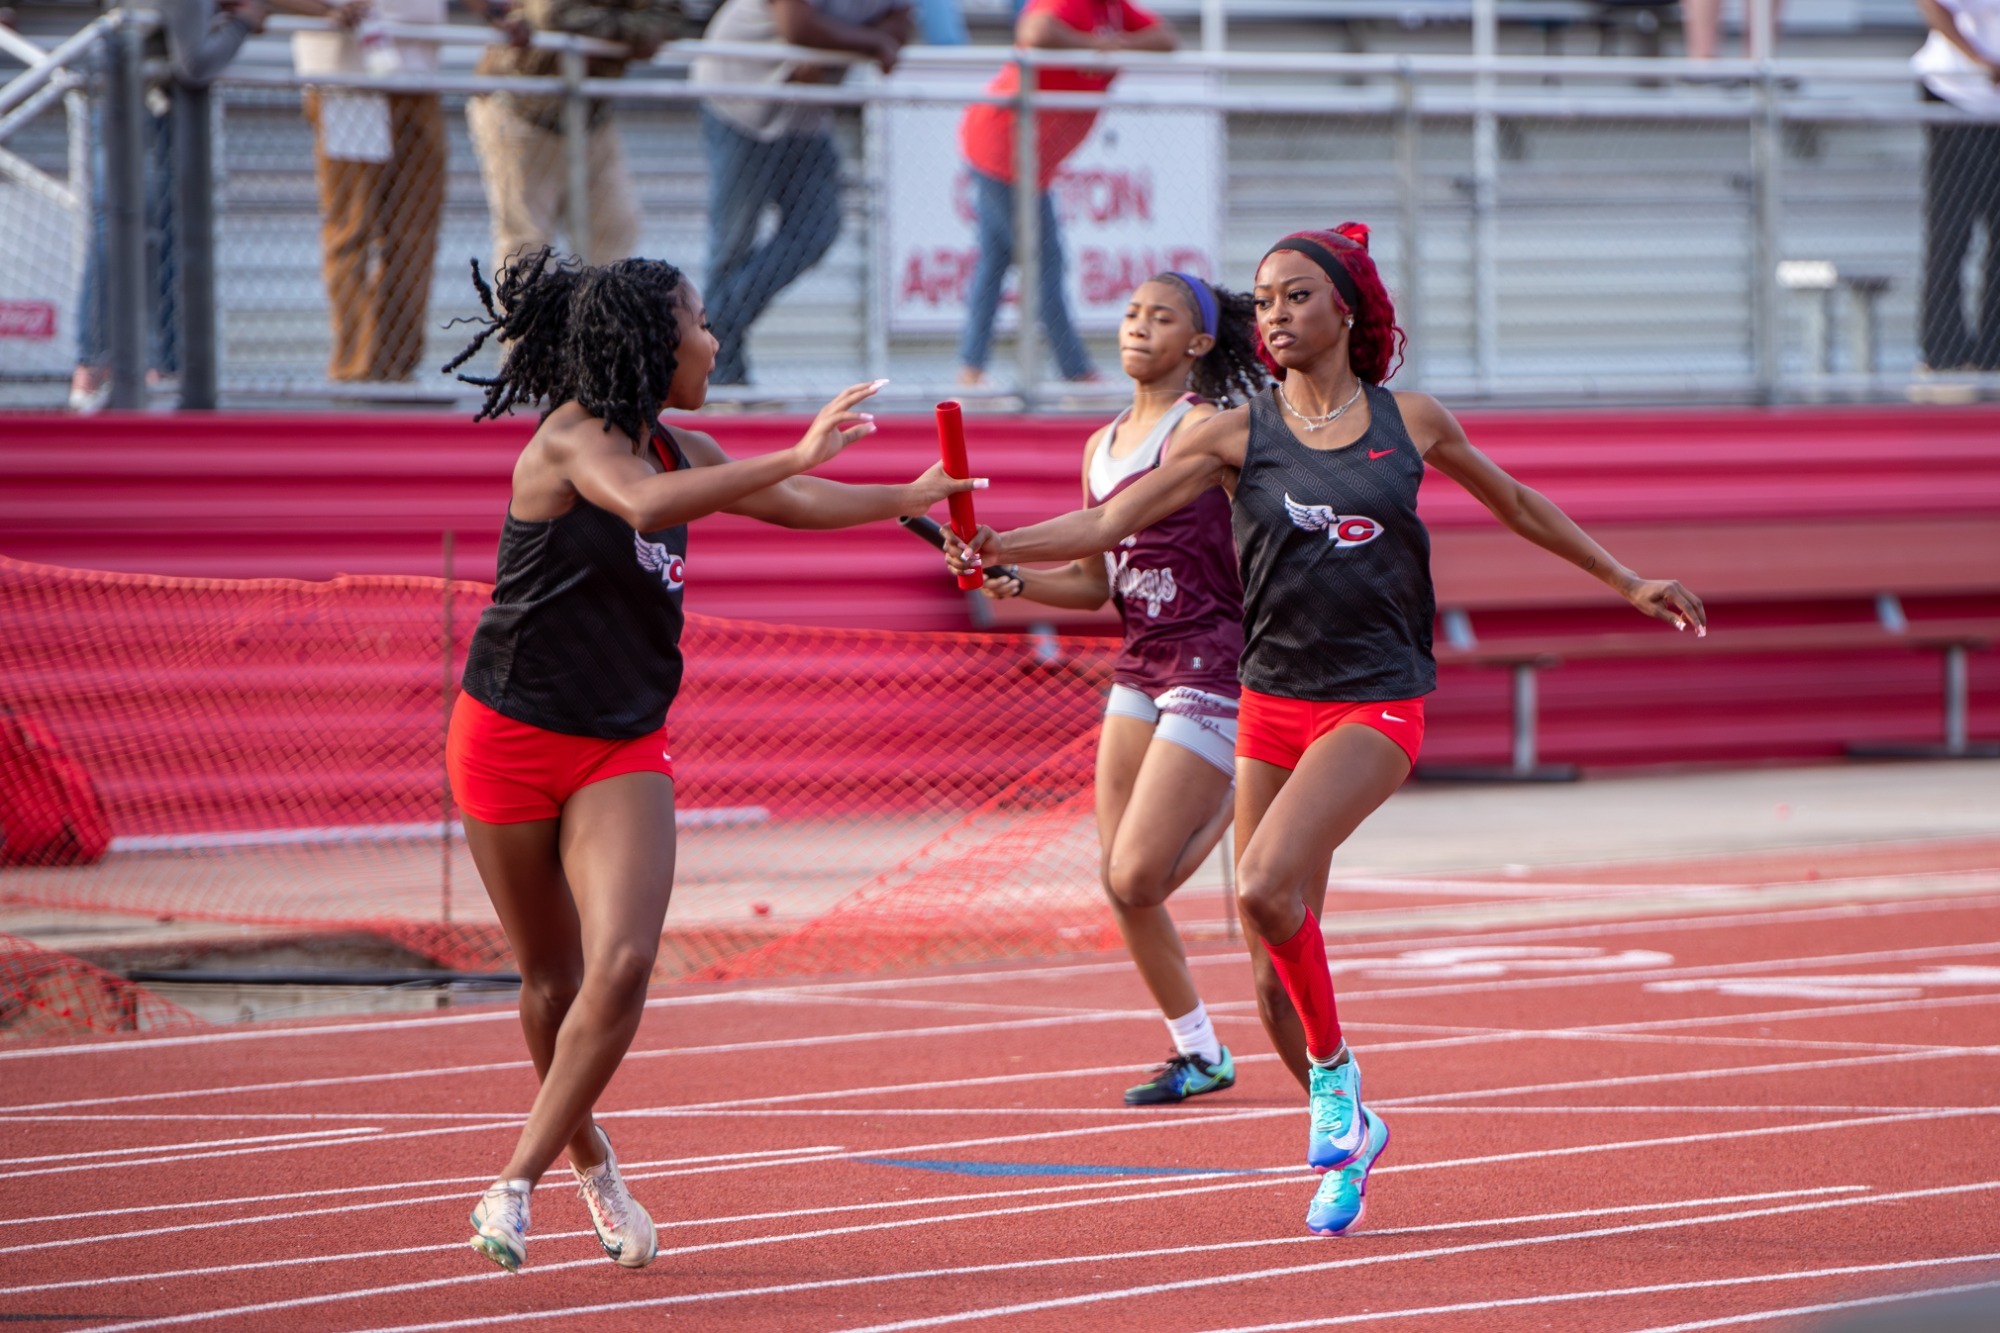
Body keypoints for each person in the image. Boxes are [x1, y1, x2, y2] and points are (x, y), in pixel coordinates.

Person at [947, 223, 1705, 1235]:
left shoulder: (1412, 421)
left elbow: (1516, 502)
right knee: (1268, 970)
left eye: (1294, 296)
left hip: (1373, 699)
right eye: (1260, 301)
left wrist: (1624, 578)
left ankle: (1336, 1078)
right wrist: (996, 543)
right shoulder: (1228, 433)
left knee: (1261, 884)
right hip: (1268, 698)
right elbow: (1103, 526)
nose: (1273, 315)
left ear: (1344, 309)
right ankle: (1346, 1140)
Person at [439, 249, 981, 1272]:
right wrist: (794, 451)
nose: (713, 339)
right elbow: (643, 509)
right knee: (550, 980)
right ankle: (592, 1162)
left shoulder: (682, 442)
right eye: (700, 321)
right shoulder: (570, 439)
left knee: (628, 964)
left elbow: (791, 507)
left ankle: (513, 1183)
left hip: (620, 743)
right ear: (653, 341)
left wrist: (902, 495)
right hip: (508, 737)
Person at [976, 273, 1262, 1105]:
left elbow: (1109, 526)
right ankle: (1199, 1050)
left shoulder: (1204, 428)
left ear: (1199, 344)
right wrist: (1018, 581)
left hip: (1211, 657)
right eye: (1133, 313)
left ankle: (1239, 782)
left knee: (1140, 877)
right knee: (1119, 881)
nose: (1138, 325)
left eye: (1161, 316)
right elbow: (1096, 580)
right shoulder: (1097, 444)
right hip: (1139, 662)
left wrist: (1010, 541)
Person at [954, 0, 1175, 389]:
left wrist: (1115, 45)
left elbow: (1166, 39)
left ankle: (971, 370)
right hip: (1002, 147)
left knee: (997, 258)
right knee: (1045, 262)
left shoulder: (1115, 9)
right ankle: (1074, 373)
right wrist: (1092, 45)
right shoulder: (1070, 2)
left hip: (1031, 163)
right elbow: (1033, 31)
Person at [691, 0, 912, 385]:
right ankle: (720, 375)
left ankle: (716, 329)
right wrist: (867, 43)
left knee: (818, 227)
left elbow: (901, 28)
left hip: (803, 113)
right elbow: (797, 26)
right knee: (731, 244)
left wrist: (831, 48)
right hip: (741, 97)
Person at [273, 0, 490, 383]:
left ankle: (396, 367)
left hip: (419, 77)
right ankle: (357, 366)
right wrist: (324, 8)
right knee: (352, 229)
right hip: (349, 82)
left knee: (416, 233)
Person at [71, 0, 268, 411]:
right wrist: (243, 25)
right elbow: (193, 65)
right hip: (143, 111)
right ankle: (131, 369)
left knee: (145, 234)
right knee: (136, 236)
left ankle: (124, 369)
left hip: (133, 106)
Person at [466, 0, 681, 273]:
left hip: (590, 115)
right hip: (524, 110)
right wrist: (625, 35)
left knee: (615, 228)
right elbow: (553, 14)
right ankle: (526, 316)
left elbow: (669, 18)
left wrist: (607, 36)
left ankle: (601, 313)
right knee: (528, 246)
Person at [1914, 0, 2000, 371]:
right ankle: (1943, 353)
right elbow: (1932, 5)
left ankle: (1993, 353)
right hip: (1958, 94)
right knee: (1952, 228)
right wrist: (1980, 60)